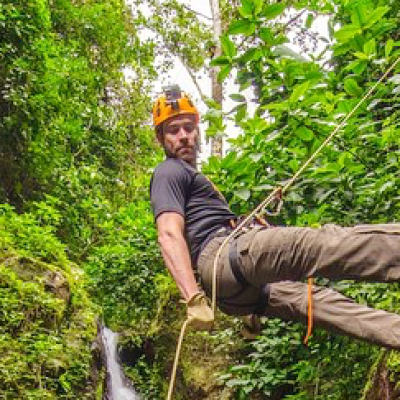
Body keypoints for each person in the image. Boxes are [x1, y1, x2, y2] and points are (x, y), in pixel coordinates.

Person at [150, 84, 400, 349]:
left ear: (197, 131)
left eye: (188, 128)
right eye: (173, 130)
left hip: (230, 289)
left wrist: (248, 308)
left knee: (317, 304)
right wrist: (192, 298)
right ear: (161, 138)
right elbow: (168, 233)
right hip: (223, 259)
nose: (184, 136)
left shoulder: (190, 179)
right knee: (319, 244)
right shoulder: (169, 171)